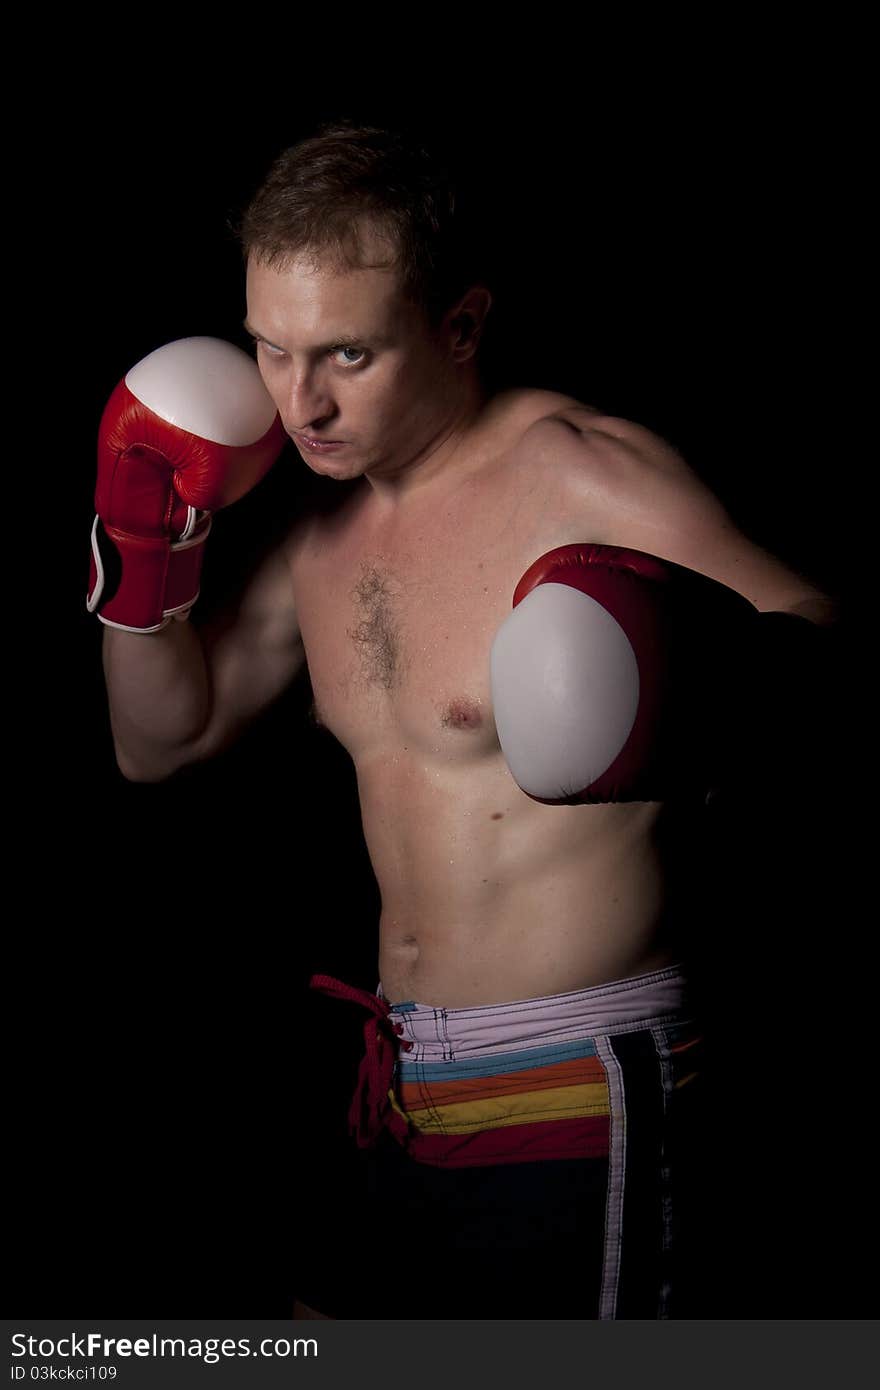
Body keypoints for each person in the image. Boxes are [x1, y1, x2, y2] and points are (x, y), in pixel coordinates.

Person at [90, 119, 839, 1319]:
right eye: (268, 351)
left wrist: (699, 679)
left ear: (461, 327)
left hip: (579, 1087)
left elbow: (816, 628)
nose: (300, 403)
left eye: (345, 356)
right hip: (399, 1093)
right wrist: (140, 553)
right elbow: (158, 742)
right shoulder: (314, 538)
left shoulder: (580, 472)